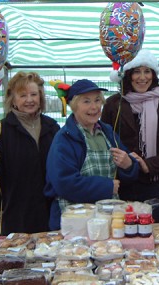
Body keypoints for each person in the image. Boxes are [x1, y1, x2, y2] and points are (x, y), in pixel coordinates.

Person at [44, 79, 139, 230]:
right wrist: (107, 187)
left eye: (97, 100)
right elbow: (64, 184)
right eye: (86, 101)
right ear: (74, 106)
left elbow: (130, 168)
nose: (94, 107)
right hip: (74, 221)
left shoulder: (107, 132)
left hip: (108, 218)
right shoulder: (64, 139)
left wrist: (129, 166)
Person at [101, 49, 159, 223]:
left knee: (155, 232)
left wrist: (149, 165)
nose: (142, 77)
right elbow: (104, 143)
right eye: (136, 71)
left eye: (147, 71)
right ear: (127, 75)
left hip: (156, 183)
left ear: (153, 75)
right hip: (124, 184)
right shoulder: (114, 104)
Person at [0, 71, 60, 236]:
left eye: (34, 94)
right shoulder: (1, 129)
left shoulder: (52, 127)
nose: (29, 100)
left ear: (40, 97)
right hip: (16, 212)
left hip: (49, 211)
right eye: (23, 95)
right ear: (12, 99)